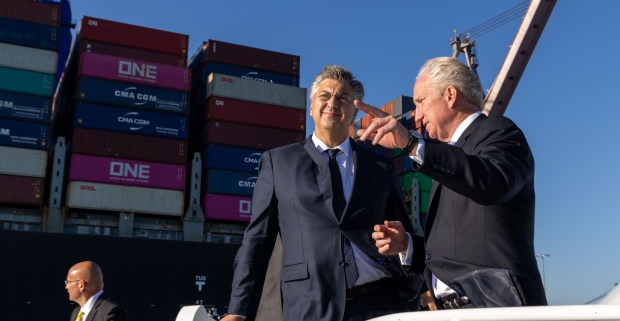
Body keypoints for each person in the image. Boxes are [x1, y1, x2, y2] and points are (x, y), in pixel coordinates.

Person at [222, 65, 425, 321]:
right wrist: (237, 311)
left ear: (354, 111)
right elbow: (256, 242)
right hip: (308, 306)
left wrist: (408, 284)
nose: (333, 103)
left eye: (343, 98)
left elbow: (404, 235)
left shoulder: (380, 166)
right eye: (325, 96)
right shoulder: (278, 162)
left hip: (379, 304)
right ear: (311, 107)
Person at [356, 56, 547, 309]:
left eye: (421, 102)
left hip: (496, 307)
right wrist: (408, 246)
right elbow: (458, 251)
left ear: (450, 95)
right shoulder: (445, 158)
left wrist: (412, 144)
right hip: (454, 310)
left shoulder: (499, 131)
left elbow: (494, 183)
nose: (417, 116)